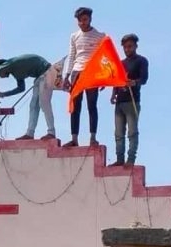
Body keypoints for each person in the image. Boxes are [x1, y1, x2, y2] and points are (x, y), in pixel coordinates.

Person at [63, 7, 106, 147]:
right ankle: (74, 139)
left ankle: (93, 138)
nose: (83, 23)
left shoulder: (100, 36)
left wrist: (104, 76)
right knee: (75, 106)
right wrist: (66, 76)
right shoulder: (74, 36)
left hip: (92, 72)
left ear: (90, 19)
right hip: (77, 72)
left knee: (92, 106)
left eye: (85, 19)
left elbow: (104, 57)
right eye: (80, 20)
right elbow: (71, 56)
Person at [0, 54, 58, 141]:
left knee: (44, 103)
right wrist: (3, 94)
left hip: (47, 72)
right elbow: (21, 88)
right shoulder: (15, 72)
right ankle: (30, 133)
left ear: (1, 68)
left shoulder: (9, 64)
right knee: (33, 105)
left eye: (0, 75)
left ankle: (51, 132)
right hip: (39, 76)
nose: (1, 77)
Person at [109, 33, 149, 167]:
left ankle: (130, 159)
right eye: (125, 47)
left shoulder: (141, 61)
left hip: (132, 101)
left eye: (130, 46)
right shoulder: (120, 63)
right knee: (118, 133)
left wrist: (134, 82)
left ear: (136, 46)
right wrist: (114, 93)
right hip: (120, 101)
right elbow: (117, 80)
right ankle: (119, 159)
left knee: (132, 132)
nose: (127, 49)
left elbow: (144, 79)